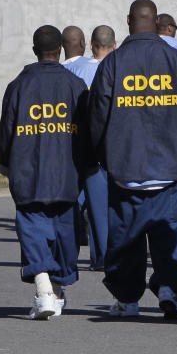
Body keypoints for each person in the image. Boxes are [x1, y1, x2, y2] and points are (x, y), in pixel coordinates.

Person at [88, 0, 177, 320]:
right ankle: (169, 289)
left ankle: (127, 299)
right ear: (155, 23)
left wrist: (105, 158)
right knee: (171, 235)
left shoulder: (111, 65)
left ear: (128, 21)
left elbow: (96, 118)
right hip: (173, 169)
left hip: (127, 167)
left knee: (127, 238)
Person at [0, 25, 89, 319]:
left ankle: (48, 292)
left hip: (29, 172)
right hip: (66, 173)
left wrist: (7, 163)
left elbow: (7, 130)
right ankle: (48, 291)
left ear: (35, 50)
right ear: (59, 51)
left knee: (33, 230)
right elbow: (86, 131)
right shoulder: (75, 85)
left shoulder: (18, 86)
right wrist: (88, 164)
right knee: (65, 233)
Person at [67, 25, 117, 270]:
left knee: (86, 204)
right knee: (111, 206)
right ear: (115, 45)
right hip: (113, 145)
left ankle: (87, 253)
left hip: (83, 146)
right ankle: (110, 255)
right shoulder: (119, 68)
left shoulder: (75, 69)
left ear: (91, 46)